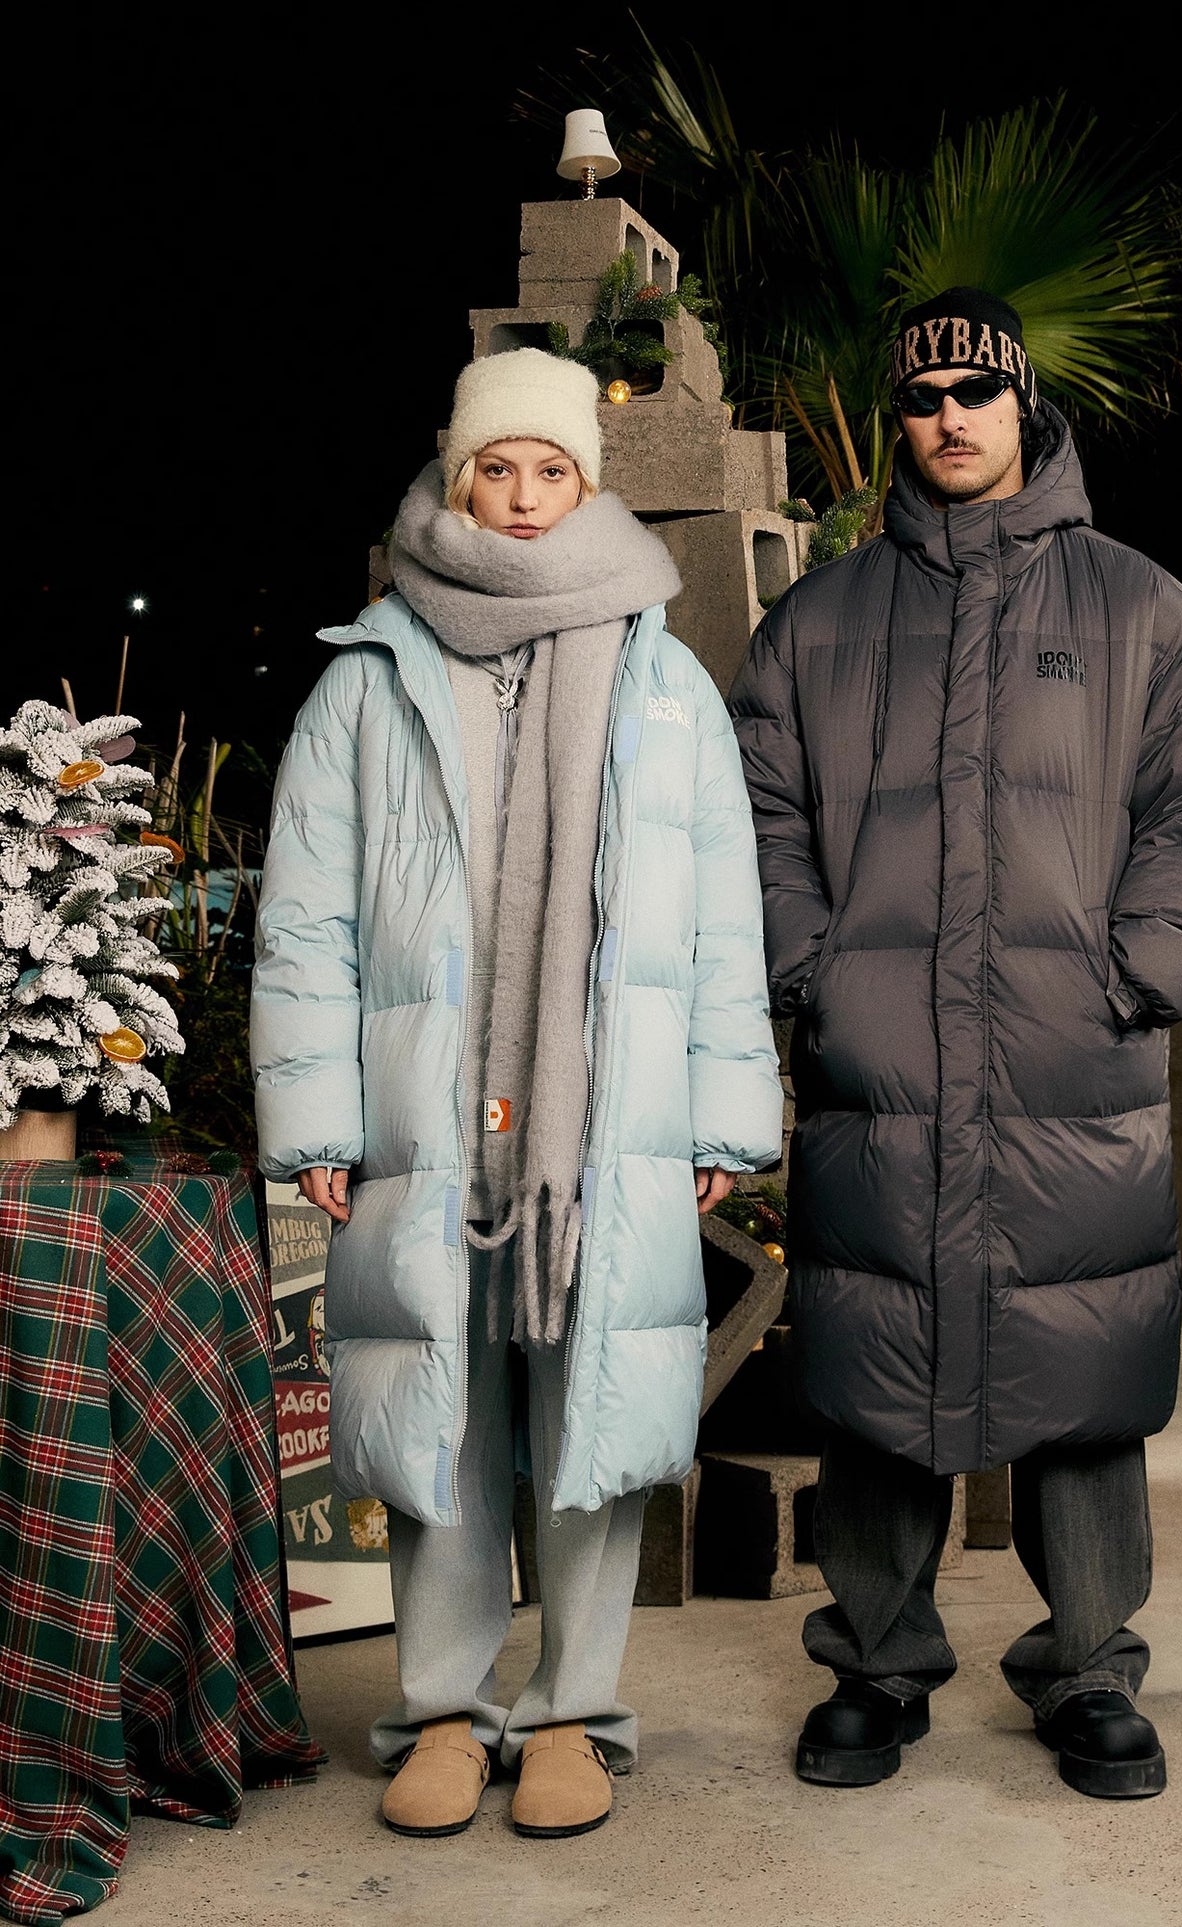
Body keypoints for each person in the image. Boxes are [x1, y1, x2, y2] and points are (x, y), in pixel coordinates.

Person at [730, 288, 1182, 1800]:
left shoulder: (1139, 606)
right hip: (880, 1061)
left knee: (1083, 1371)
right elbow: (755, 811)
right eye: (922, 396)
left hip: (1070, 1060)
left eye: (976, 389)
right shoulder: (817, 621)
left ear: (1024, 403)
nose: (950, 416)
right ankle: (874, 1664)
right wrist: (814, 972)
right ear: (898, 419)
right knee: (873, 1364)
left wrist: (1138, 974)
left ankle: (1088, 1669)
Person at [252, 347, 782, 1840]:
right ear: (458, 474)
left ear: (588, 482)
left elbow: (718, 915)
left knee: (590, 1408)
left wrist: (723, 1113)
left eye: (553, 469)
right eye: (500, 467)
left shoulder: (665, 681)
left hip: (603, 1117)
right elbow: (306, 918)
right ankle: (442, 1712)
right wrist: (319, 1122)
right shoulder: (368, 677)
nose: (527, 496)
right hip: (428, 1110)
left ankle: (574, 1716)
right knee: (443, 1413)